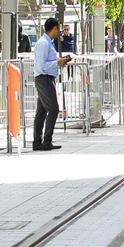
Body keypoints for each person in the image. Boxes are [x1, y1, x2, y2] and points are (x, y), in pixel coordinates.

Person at [33, 18, 71, 151]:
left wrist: (60, 61)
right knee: (53, 109)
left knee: (41, 112)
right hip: (44, 78)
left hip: (45, 78)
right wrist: (57, 63)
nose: (59, 32)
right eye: (58, 29)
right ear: (54, 28)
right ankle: (46, 141)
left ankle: (37, 142)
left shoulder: (47, 42)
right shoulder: (44, 43)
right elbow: (42, 65)